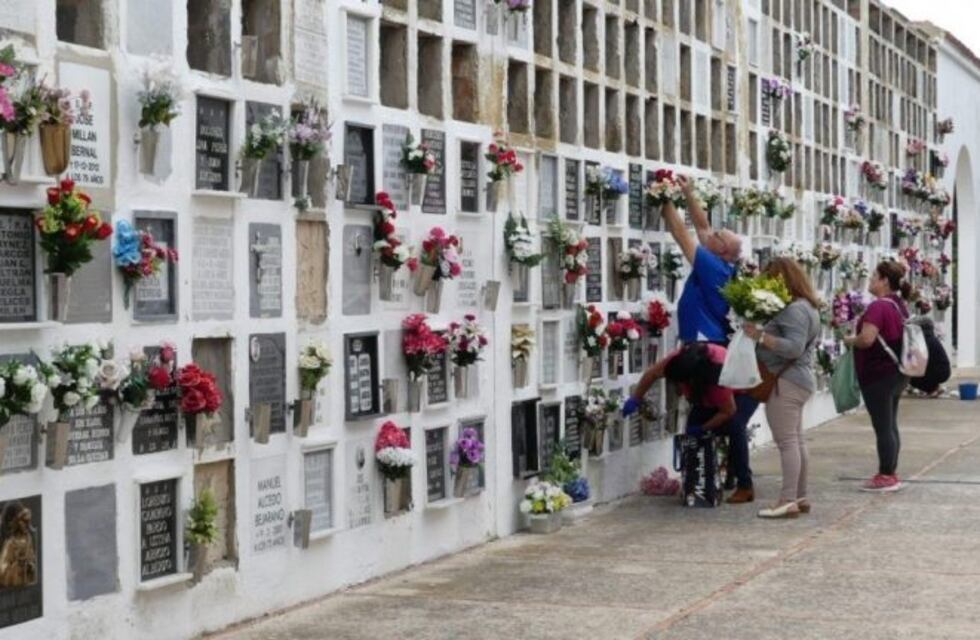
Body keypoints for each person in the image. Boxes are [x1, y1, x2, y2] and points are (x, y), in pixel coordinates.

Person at [661, 177, 757, 504]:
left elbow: (682, 235)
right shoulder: (722, 262)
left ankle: (710, 478)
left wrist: (662, 197)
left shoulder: (712, 267)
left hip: (704, 349)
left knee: (716, 415)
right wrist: (687, 192)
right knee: (718, 415)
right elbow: (702, 227)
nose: (712, 234)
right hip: (712, 343)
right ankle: (718, 475)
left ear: (723, 251)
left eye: (718, 237)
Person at [742, 259, 821, 519]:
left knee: (787, 442)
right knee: (796, 440)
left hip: (787, 381)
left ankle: (787, 500)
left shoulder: (794, 309)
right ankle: (800, 496)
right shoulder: (808, 306)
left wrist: (761, 336)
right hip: (798, 380)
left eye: (769, 278)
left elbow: (794, 347)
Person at [844, 261, 913, 492]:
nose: (871, 280)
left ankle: (886, 475)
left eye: (874, 276)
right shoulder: (898, 305)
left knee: (883, 426)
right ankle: (890, 471)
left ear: (884, 280)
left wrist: (849, 340)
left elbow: (867, 339)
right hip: (897, 372)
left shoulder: (878, 307)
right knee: (890, 424)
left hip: (878, 374)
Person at [624, 342, 736, 434]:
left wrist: (703, 428)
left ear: (691, 381)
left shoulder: (718, 384)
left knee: (734, 427)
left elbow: (728, 411)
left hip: (742, 391)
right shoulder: (680, 358)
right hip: (702, 389)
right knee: (693, 424)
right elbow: (652, 374)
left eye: (679, 382)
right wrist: (636, 398)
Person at [908, 316, 951, 397]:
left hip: (937, 372)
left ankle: (931, 389)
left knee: (908, 373)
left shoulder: (922, 340)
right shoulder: (930, 337)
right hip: (942, 371)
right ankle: (933, 388)